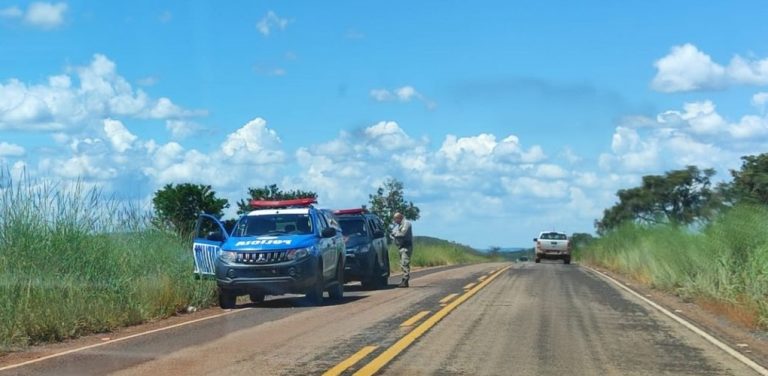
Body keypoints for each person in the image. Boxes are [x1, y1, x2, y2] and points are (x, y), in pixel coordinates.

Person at [390, 212, 413, 288]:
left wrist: (395, 234)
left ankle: (405, 280)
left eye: (395, 219)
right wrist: (394, 234)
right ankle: (404, 280)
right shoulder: (398, 226)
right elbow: (391, 233)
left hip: (406, 246)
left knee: (404, 262)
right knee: (402, 263)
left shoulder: (406, 223)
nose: (395, 220)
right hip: (401, 247)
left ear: (399, 218)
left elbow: (402, 233)